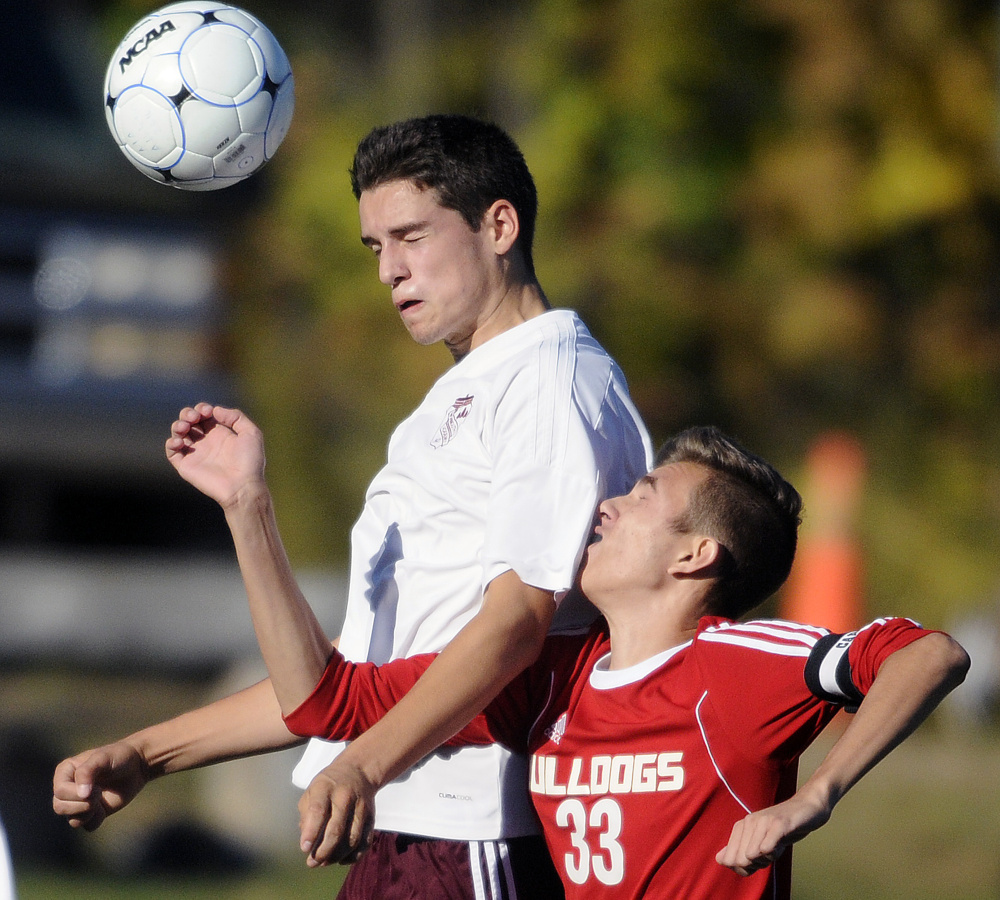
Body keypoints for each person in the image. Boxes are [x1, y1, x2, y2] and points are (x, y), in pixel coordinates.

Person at [52, 114, 652, 899]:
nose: (388, 271)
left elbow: (515, 624)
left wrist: (363, 764)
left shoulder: (546, 383)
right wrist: (148, 753)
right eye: (375, 248)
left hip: (475, 834)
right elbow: (355, 677)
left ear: (498, 224)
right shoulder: (465, 391)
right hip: (399, 826)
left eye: (411, 237)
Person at [219, 425, 969, 899]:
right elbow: (331, 701)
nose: (606, 506)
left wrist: (818, 794)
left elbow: (929, 653)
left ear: (694, 554)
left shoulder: (735, 665)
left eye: (640, 496)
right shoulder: (554, 677)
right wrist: (247, 507)